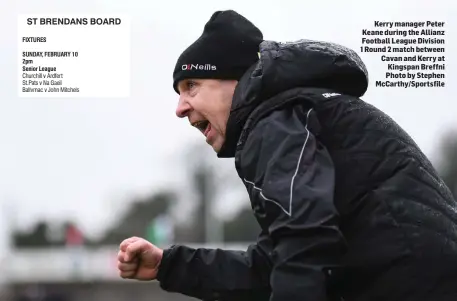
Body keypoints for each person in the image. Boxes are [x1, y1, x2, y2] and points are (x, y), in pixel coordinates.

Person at [117, 10, 457, 301]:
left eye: (192, 85)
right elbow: (276, 264)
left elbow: (304, 237)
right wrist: (167, 265)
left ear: (235, 81)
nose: (179, 108)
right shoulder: (296, 115)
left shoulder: (271, 122)